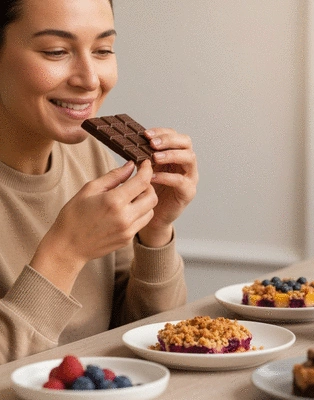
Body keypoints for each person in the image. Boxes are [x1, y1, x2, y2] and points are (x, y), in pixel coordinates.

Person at [0, 0, 198, 364]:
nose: (90, 79)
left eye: (103, 50)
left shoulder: (89, 156)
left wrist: (154, 230)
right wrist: (65, 253)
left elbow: (147, 338)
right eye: (56, 51)